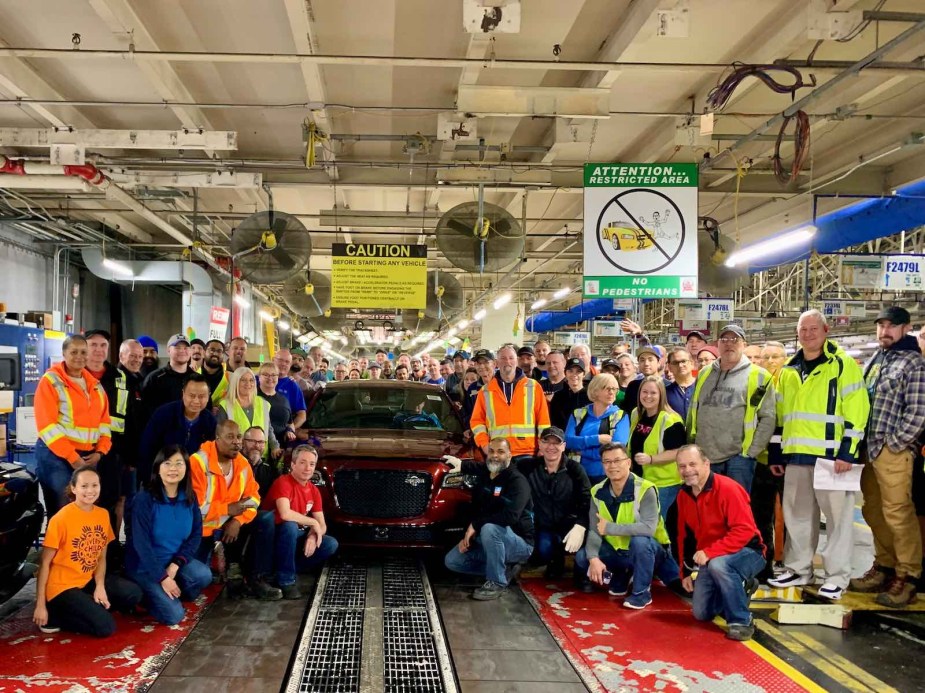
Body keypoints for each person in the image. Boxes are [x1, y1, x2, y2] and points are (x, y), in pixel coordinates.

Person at [767, 310, 870, 600]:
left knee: (838, 520)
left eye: (814, 328)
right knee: (797, 517)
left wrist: (848, 452)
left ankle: (837, 576)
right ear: (797, 334)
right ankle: (799, 569)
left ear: (826, 330)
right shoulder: (788, 370)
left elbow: (857, 410)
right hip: (797, 456)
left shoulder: (843, 365)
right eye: (803, 329)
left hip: (833, 457)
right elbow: (781, 415)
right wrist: (777, 453)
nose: (808, 334)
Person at [850, 306, 925, 607]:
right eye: (881, 326)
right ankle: (884, 565)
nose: (884, 331)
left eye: (891, 326)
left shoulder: (913, 362)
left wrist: (896, 444)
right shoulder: (877, 359)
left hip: (892, 451)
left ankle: (908, 575)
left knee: (898, 513)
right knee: (873, 511)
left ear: (905, 328)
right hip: (870, 449)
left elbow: (919, 411)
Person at [33, 466, 142, 637]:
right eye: (84, 486)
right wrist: (40, 605)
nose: (90, 491)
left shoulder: (103, 514)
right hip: (61, 588)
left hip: (86, 582)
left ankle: (87, 605)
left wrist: (100, 586)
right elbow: (44, 564)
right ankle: (55, 615)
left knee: (133, 594)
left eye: (94, 485)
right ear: (74, 488)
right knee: (106, 627)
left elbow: (101, 557)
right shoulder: (60, 519)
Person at [676, 445, 766, 641]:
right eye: (682, 466)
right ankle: (742, 587)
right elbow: (684, 536)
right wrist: (684, 572)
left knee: (719, 565)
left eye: (693, 464)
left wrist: (709, 553)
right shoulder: (684, 495)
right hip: (713, 556)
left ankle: (741, 621)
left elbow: (744, 531)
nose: (687, 470)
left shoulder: (728, 488)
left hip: (749, 551)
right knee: (701, 613)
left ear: (706, 464)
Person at [575, 443, 680, 609]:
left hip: (651, 552)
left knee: (641, 541)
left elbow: (648, 529)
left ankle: (641, 594)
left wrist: (609, 528)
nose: (612, 465)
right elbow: (595, 530)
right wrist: (593, 558)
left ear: (629, 462)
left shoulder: (645, 489)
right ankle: (621, 574)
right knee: (583, 557)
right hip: (619, 552)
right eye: (607, 462)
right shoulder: (597, 491)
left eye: (617, 460)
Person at [124, 446, 213, 625]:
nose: (173, 468)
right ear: (158, 468)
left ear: (186, 468)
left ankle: (169, 591)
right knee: (174, 616)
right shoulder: (145, 498)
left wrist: (175, 565)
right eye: (167, 463)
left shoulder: (189, 496)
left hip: (171, 561)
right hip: (145, 567)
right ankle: (144, 596)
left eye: (179, 463)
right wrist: (162, 578)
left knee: (204, 575)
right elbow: (141, 544)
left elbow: (196, 534)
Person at [687, 325, 775, 493]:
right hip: (703, 456)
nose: (729, 344)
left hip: (738, 459)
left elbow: (768, 417)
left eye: (735, 340)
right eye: (724, 340)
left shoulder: (759, 376)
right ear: (718, 344)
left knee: (735, 509)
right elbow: (693, 409)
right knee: (706, 507)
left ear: (744, 344)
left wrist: (751, 452)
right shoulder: (705, 373)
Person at [444, 438, 534, 600]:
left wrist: (475, 525)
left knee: (489, 528)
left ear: (509, 455)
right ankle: (504, 569)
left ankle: (497, 582)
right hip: (490, 540)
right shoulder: (487, 474)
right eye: (491, 451)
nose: (495, 456)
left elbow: (511, 517)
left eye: (501, 452)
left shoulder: (517, 482)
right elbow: (479, 467)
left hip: (519, 543)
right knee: (453, 561)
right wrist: (462, 465)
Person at [35, 334, 112, 519]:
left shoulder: (95, 386)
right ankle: (59, 548)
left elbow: (104, 424)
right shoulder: (51, 381)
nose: (79, 356)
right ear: (63, 353)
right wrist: (72, 457)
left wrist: (100, 452)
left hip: (88, 456)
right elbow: (47, 427)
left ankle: (79, 548)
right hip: (56, 456)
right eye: (74, 352)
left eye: (83, 352)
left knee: (85, 507)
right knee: (63, 507)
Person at [256, 445, 339, 599]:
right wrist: (313, 524)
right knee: (290, 526)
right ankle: (286, 580)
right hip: (275, 536)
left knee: (330, 543)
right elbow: (285, 514)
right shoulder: (283, 482)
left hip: (295, 537)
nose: (308, 468)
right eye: (302, 462)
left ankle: (286, 569)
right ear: (293, 464)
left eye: (312, 464)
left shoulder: (313, 491)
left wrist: (313, 536)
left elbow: (322, 525)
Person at [189, 421, 263, 590]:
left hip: (229, 525)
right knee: (197, 581)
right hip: (201, 530)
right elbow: (194, 509)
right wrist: (227, 509)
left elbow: (254, 498)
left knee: (265, 520)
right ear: (217, 439)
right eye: (230, 437)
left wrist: (237, 520)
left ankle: (255, 577)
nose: (236, 442)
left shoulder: (243, 463)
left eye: (238, 437)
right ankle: (218, 556)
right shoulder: (198, 462)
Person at [515, 426, 590, 579]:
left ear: (563, 446)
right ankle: (552, 559)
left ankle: (576, 565)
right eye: (546, 442)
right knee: (543, 551)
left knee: (576, 548)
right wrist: (464, 465)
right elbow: (501, 469)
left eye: (556, 443)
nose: (551, 447)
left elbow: (587, 500)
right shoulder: (528, 467)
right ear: (539, 444)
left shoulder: (575, 470)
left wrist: (580, 526)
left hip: (569, 526)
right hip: (543, 527)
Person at [470, 344, 550, 463]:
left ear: (517, 361)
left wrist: (543, 447)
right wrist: (484, 445)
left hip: (528, 453)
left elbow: (543, 421)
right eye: (503, 358)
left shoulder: (533, 387)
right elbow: (477, 422)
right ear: (496, 363)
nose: (507, 361)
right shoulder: (486, 390)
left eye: (511, 358)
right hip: (498, 453)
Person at [138, 373, 217, 485]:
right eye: (192, 395)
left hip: (193, 483)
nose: (196, 401)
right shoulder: (163, 414)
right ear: (183, 394)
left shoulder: (210, 422)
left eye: (201, 396)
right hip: (161, 480)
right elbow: (146, 449)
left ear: (208, 396)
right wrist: (150, 480)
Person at [628, 376, 686, 520]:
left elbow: (679, 452)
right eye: (644, 392)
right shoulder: (636, 413)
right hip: (640, 479)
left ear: (661, 395)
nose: (648, 396)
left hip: (663, 483)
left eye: (653, 393)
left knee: (655, 526)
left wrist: (651, 459)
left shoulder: (671, 419)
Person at [566, 373, 628, 483]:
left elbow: (616, 450)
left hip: (605, 476)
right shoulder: (577, 414)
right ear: (595, 391)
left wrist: (583, 452)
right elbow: (568, 441)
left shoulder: (620, 416)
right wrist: (597, 439)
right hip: (576, 474)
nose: (612, 392)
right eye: (607, 388)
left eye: (614, 389)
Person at [113, 339, 145, 534]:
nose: (137, 360)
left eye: (140, 356)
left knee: (130, 501)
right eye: (132, 356)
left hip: (133, 455)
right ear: (121, 356)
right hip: (120, 455)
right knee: (120, 500)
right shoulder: (117, 381)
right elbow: (120, 421)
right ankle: (115, 546)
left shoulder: (137, 381)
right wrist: (126, 456)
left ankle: (130, 546)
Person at [217, 366, 282, 461]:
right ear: (236, 382)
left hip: (261, 457)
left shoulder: (263, 403)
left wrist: (275, 446)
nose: (248, 384)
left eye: (251, 380)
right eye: (243, 380)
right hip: (236, 458)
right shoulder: (226, 405)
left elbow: (269, 429)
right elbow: (221, 435)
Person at [141, 333, 192, 415]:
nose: (182, 351)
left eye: (186, 348)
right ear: (168, 350)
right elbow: (146, 412)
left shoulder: (198, 378)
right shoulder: (154, 378)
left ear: (190, 351)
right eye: (177, 347)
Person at [256, 362, 294, 446]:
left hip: (281, 449)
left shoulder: (284, 400)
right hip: (259, 446)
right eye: (266, 375)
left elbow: (290, 423)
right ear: (259, 377)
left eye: (273, 375)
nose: (270, 378)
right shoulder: (253, 398)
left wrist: (289, 431)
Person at [549, 357, 590, 430]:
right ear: (565, 373)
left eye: (578, 371)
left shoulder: (591, 396)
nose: (574, 374)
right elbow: (553, 421)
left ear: (584, 374)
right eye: (570, 371)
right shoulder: (558, 397)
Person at [620, 346, 660, 413]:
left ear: (658, 363)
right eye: (642, 360)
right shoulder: (633, 386)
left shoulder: (667, 387)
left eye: (650, 360)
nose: (646, 364)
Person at [664, 348, 696, 420]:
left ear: (692, 363)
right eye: (675, 363)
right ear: (669, 367)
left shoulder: (702, 388)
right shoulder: (665, 393)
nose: (680, 365)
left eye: (683, 361)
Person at [200, 339, 230, 403]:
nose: (215, 353)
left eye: (219, 351)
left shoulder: (230, 378)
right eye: (212, 350)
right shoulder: (193, 375)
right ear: (204, 352)